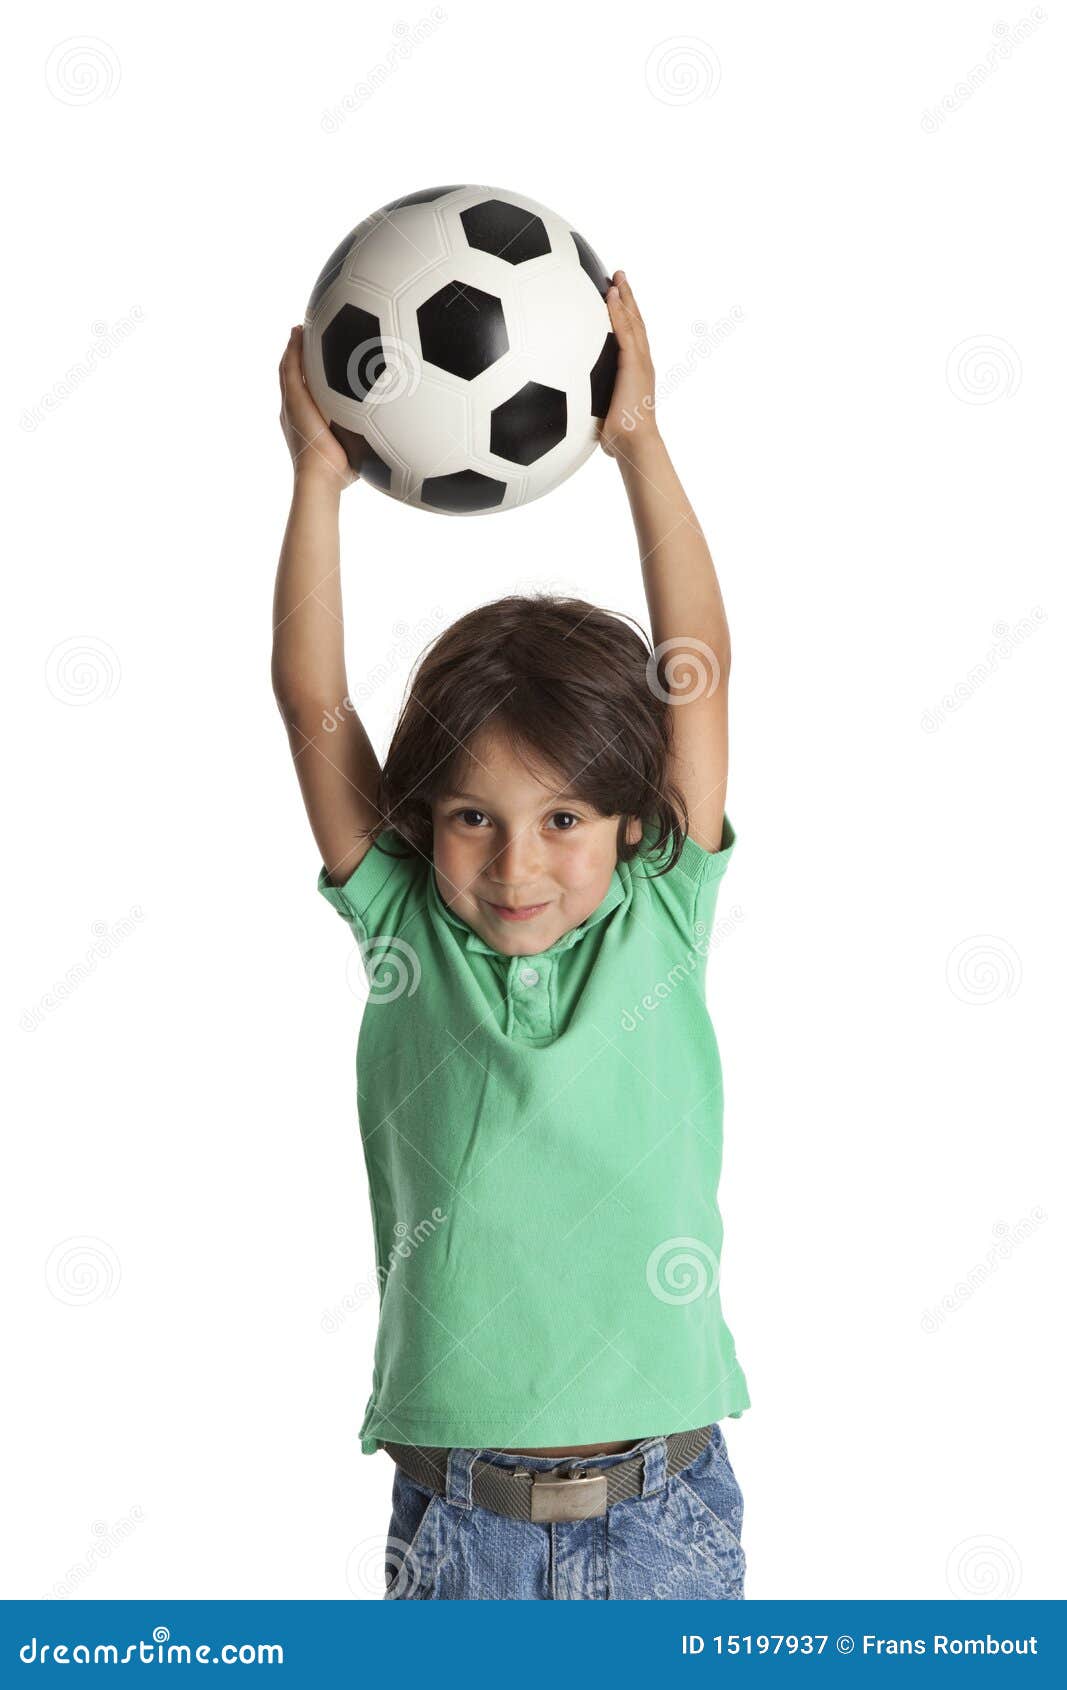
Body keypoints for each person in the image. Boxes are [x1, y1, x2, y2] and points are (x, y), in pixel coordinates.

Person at [273, 271, 749, 1600]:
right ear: (424, 821)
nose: (518, 862)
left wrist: (638, 443)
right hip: (459, 1527)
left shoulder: (658, 911)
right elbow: (316, 708)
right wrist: (318, 482)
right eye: (474, 816)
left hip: (665, 1520)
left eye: (563, 818)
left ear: (631, 821)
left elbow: (696, 653)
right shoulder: (407, 929)